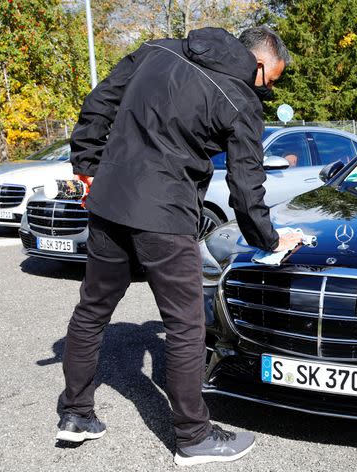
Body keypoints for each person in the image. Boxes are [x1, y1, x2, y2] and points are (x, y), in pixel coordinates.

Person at [57, 26, 302, 466]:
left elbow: (99, 102)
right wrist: (269, 238)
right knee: (187, 325)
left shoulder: (156, 50)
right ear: (259, 62)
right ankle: (193, 438)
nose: (264, 89)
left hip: (111, 201)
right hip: (166, 216)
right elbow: (247, 189)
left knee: (92, 309)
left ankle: (75, 415)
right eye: (270, 81)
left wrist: (88, 165)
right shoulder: (240, 100)